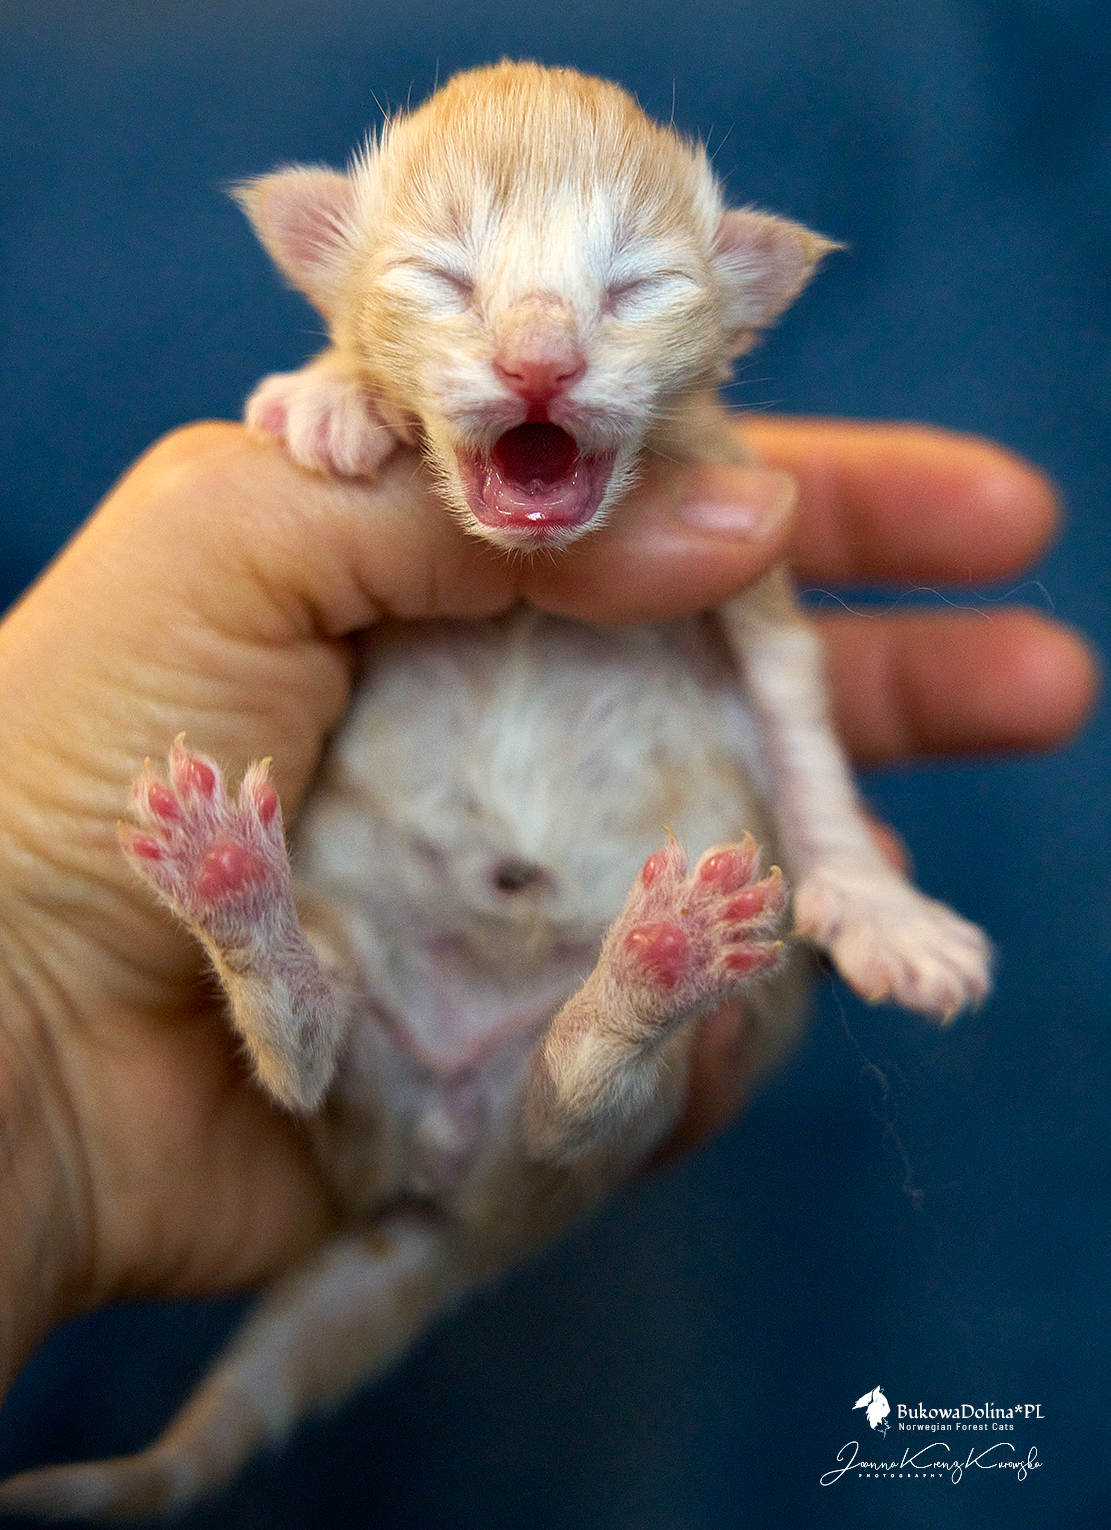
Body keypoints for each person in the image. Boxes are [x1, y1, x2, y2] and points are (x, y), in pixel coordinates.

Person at [0, 414, 1094, 1407]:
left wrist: (849, 878)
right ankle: (294, 946)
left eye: (632, 291)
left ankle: (611, 1007)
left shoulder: (694, 478)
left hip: (515, 990)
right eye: (451, 286)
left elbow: (779, 688)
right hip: (399, 945)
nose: (534, 352)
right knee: (345, 1025)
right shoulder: (421, 430)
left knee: (566, 1089)